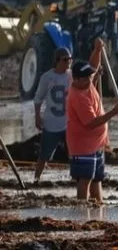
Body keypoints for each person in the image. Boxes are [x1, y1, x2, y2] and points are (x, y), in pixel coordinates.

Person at [65, 60, 118, 204]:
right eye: (85, 77)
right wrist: (113, 112)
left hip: (96, 144)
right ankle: (81, 209)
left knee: (97, 178)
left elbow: (94, 66)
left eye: (90, 76)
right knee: (85, 179)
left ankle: (99, 207)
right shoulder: (78, 97)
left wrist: (98, 50)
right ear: (76, 79)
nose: (89, 80)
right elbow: (91, 123)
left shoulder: (88, 85)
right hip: (83, 146)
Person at [31, 47, 73, 183]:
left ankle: (76, 178)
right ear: (57, 61)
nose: (68, 62)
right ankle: (36, 179)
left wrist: (97, 73)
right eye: (65, 60)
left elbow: (88, 80)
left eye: (70, 59)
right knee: (44, 155)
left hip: (69, 123)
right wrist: (37, 116)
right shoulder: (47, 77)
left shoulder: (72, 75)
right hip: (51, 124)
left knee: (74, 153)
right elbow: (38, 99)